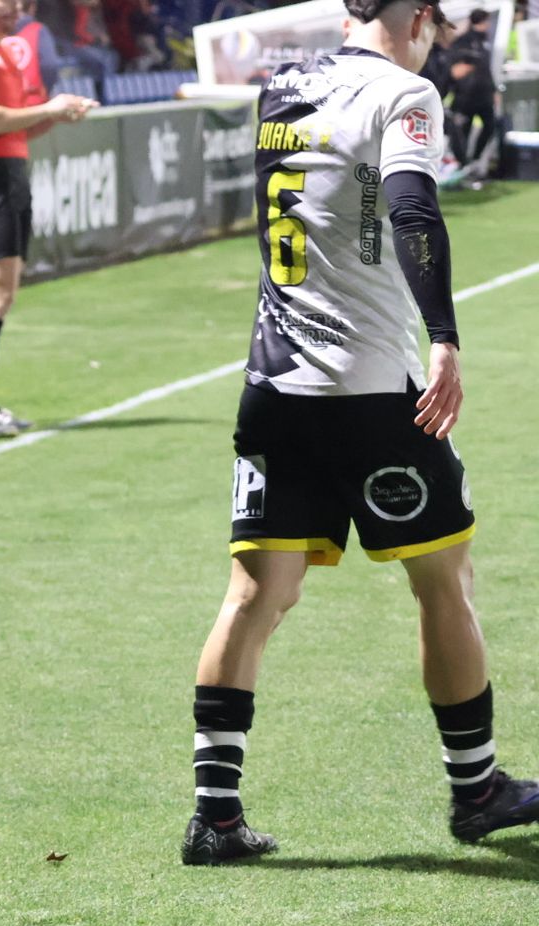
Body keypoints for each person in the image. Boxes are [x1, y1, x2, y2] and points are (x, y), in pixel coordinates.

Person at [179, 0, 539, 865]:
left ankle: (214, 814)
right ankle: (478, 788)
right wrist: (445, 338)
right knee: (443, 580)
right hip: (373, 392)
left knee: (255, 594)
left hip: (273, 386)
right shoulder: (404, 91)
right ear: (418, 15)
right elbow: (410, 210)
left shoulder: (282, 87)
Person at [0, 0, 94, 438]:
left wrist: (58, 115)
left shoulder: (3, 52)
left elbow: (16, 126)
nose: (18, 8)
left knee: (3, 291)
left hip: (9, 176)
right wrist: (49, 109)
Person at [446, 8, 499, 172]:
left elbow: (486, 69)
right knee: (464, 133)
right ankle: (463, 167)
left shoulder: (485, 41)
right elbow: (454, 69)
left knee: (490, 126)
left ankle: (473, 160)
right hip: (465, 96)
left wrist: (493, 89)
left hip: (484, 95)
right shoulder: (462, 41)